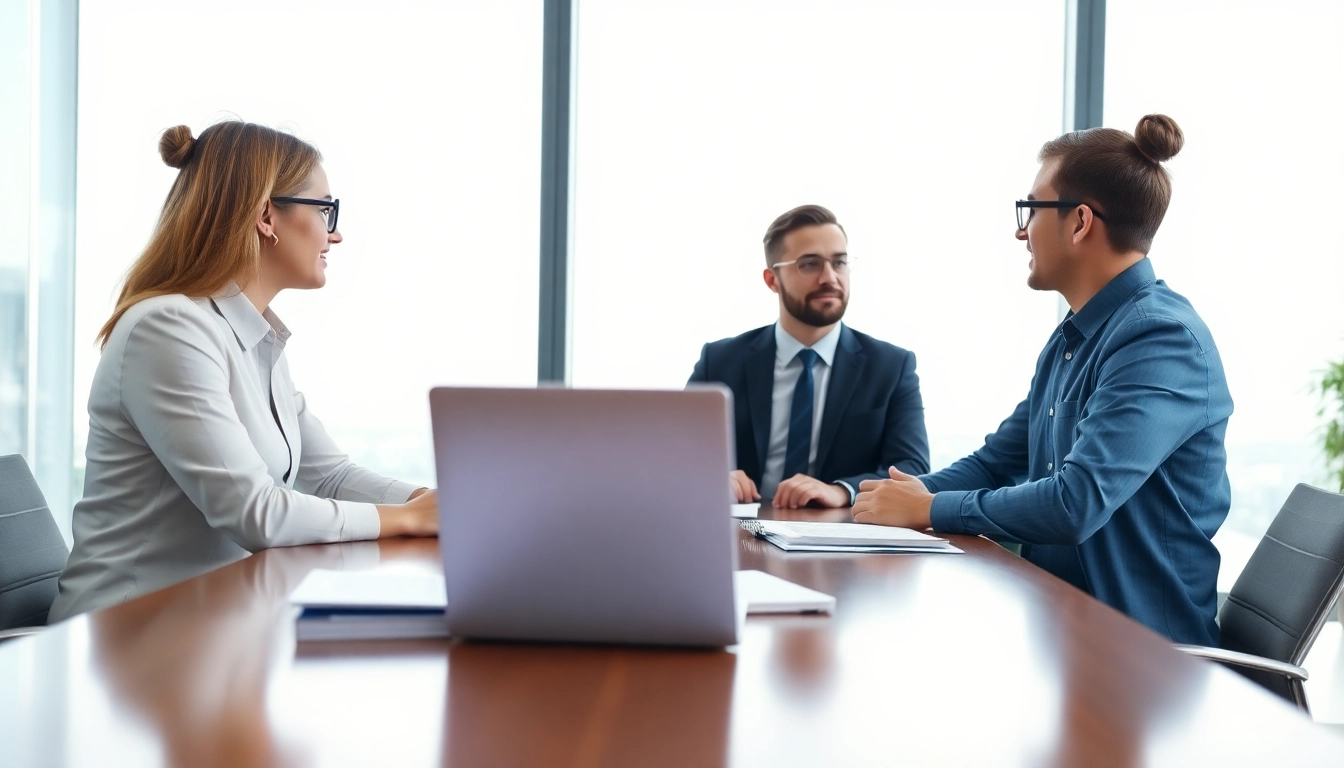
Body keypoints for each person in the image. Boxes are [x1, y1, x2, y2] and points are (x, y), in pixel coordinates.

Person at [852, 115, 1232, 646]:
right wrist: (885, 499)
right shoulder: (1074, 337)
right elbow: (997, 461)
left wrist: (927, 508)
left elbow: (1075, 503)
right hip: (1063, 629)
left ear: (1079, 222)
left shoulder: (1159, 340)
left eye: (1030, 209)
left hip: (1142, 660)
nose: (1020, 230)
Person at [49, 120, 438, 621]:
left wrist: (429, 501)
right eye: (325, 210)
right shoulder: (168, 329)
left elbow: (331, 475)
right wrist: (407, 519)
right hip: (124, 639)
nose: (335, 233)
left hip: (210, 627)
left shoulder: (257, 338)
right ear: (266, 216)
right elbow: (255, 513)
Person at [688, 204, 929, 509]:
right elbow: (676, 453)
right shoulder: (720, 360)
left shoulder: (891, 366)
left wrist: (842, 490)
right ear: (772, 280)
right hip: (740, 533)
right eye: (809, 264)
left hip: (842, 541)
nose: (830, 278)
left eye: (839, 262)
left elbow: (913, 468)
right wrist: (711, 477)